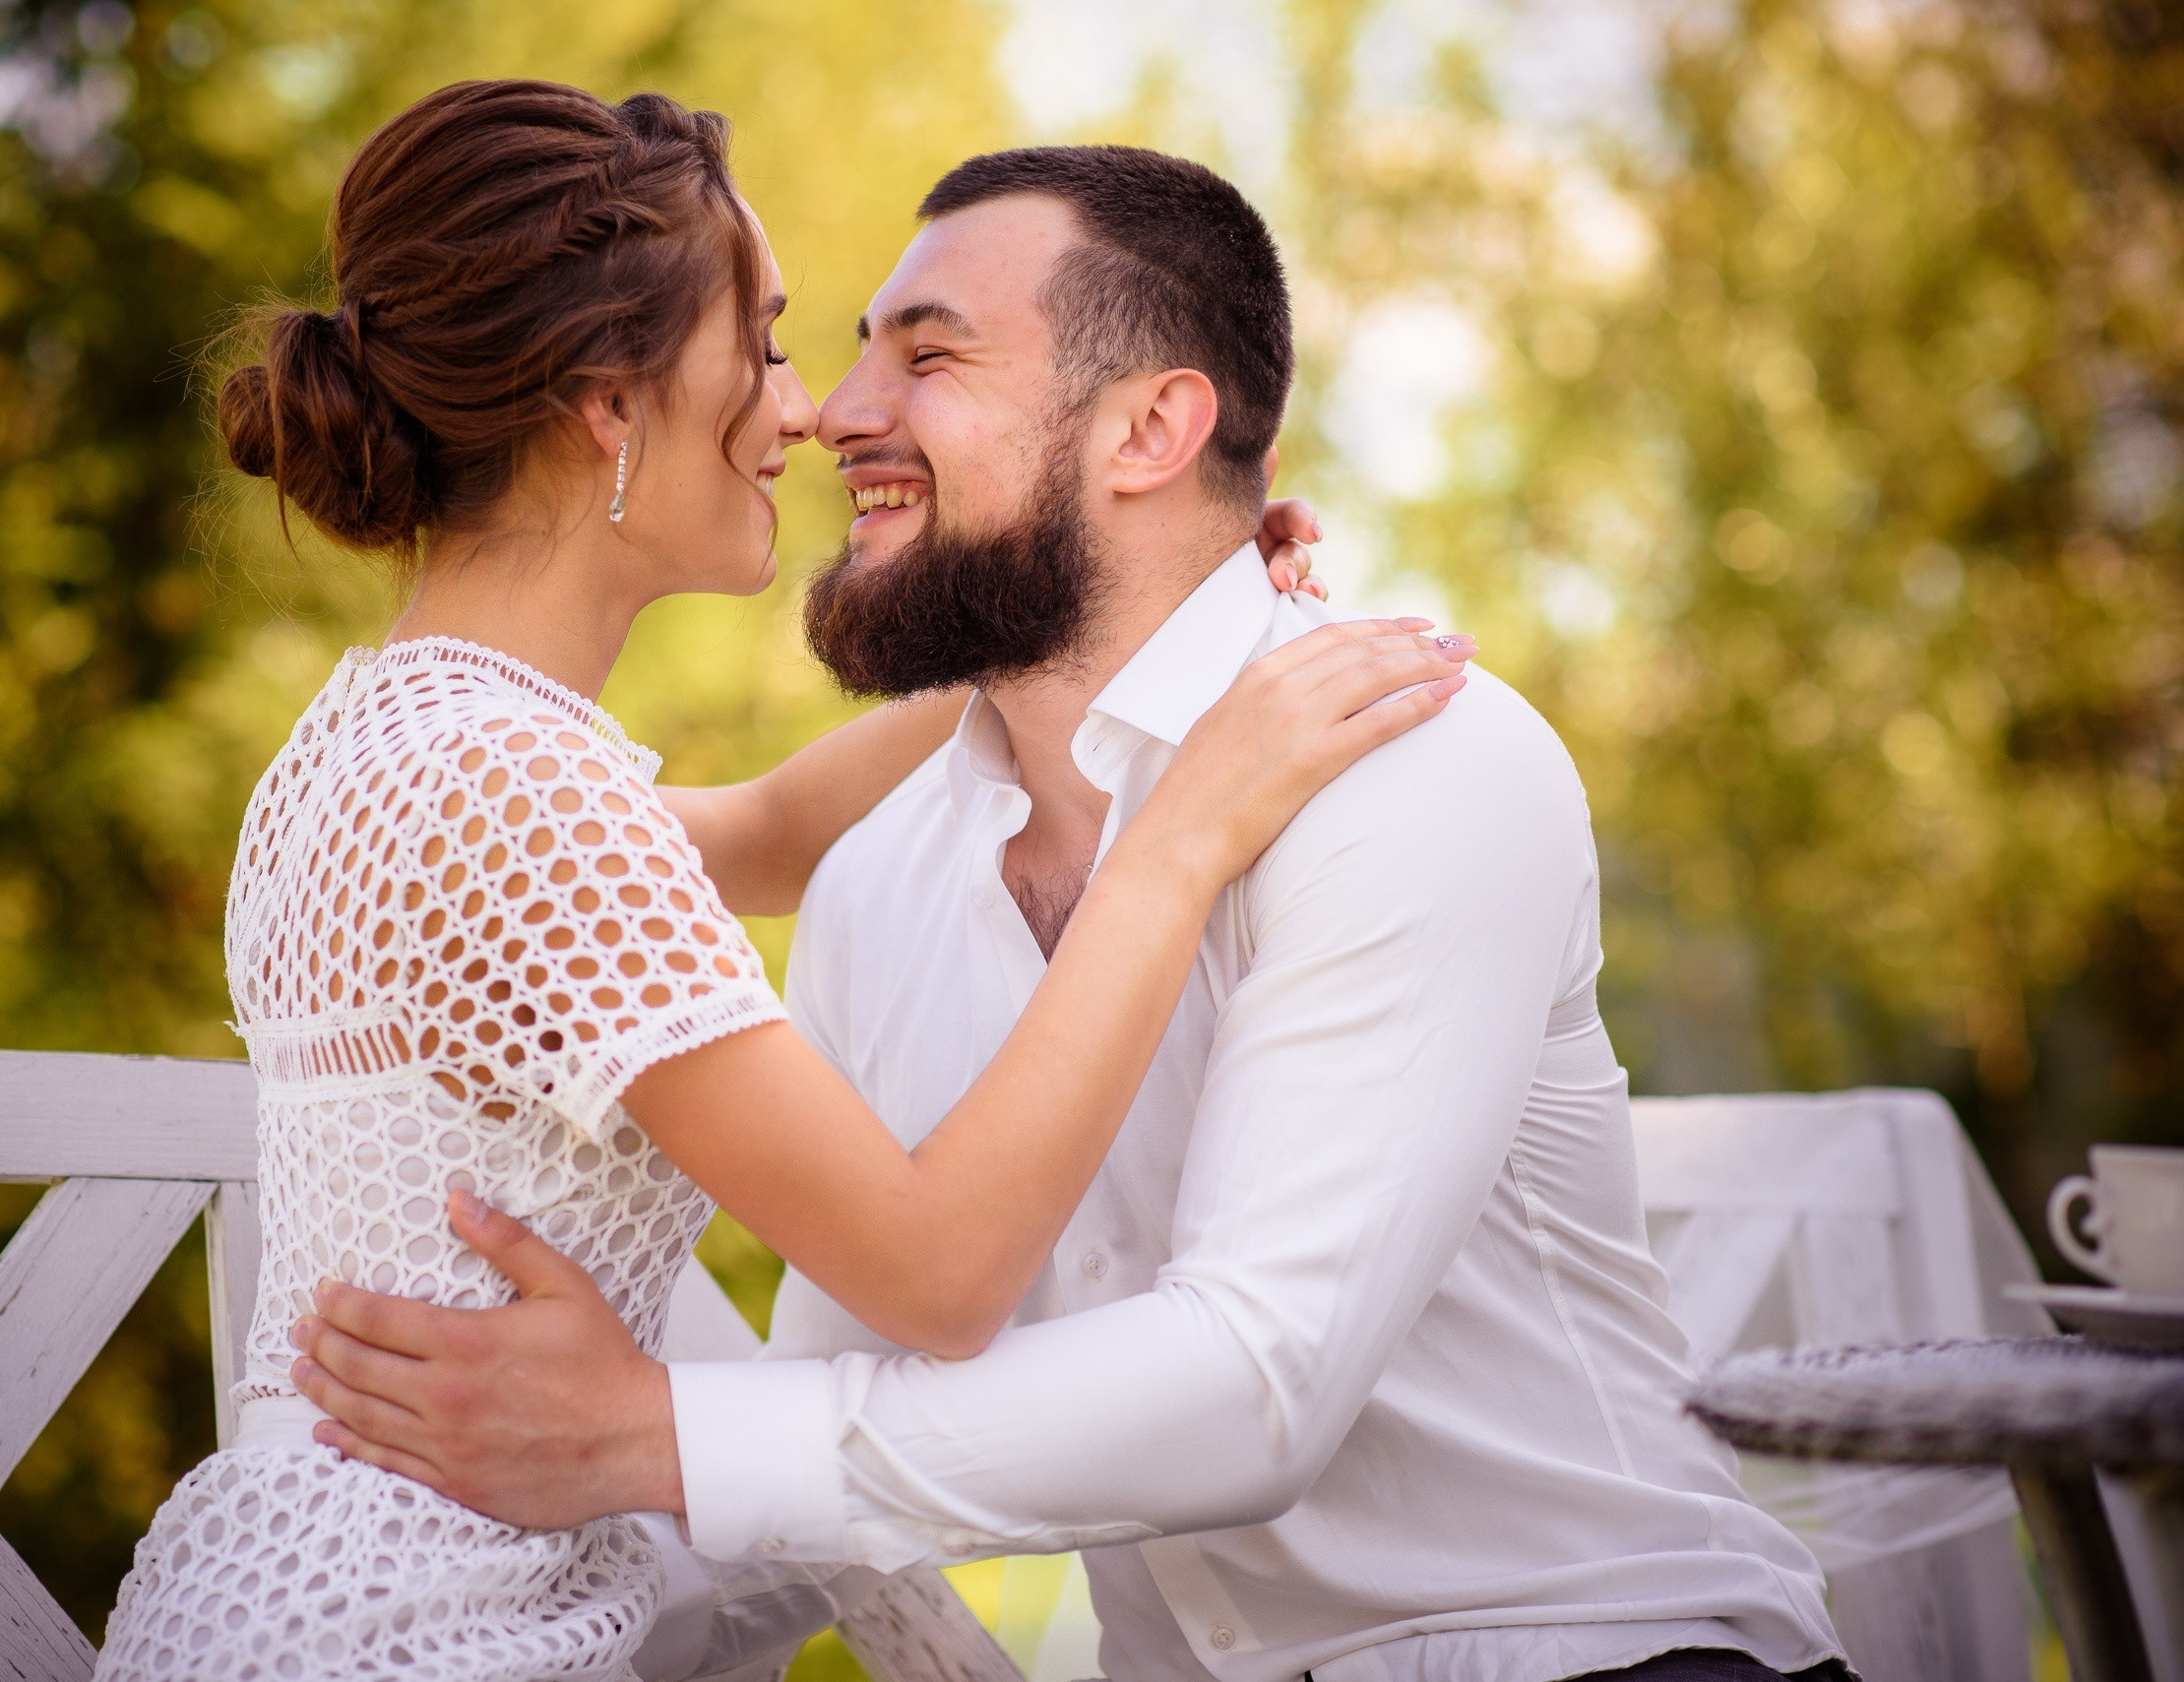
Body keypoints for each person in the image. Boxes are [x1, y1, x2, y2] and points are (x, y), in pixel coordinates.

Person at [287, 146, 1857, 1682]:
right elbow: (833, 1416)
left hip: (1595, 1654)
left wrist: (649, 1435)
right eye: (822, 352)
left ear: (1155, 425)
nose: (836, 414)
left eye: (931, 354)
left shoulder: (1416, 762)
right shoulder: (875, 872)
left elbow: (1253, 1386)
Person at [92, 84, 1468, 1682]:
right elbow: (940, 1271)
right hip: (412, 1625)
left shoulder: (401, 748)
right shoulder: (513, 790)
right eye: (762, 345)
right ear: (611, 405)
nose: (806, 408)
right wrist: (1178, 838)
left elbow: (768, 832)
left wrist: (1164, 596)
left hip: (330, 1584)